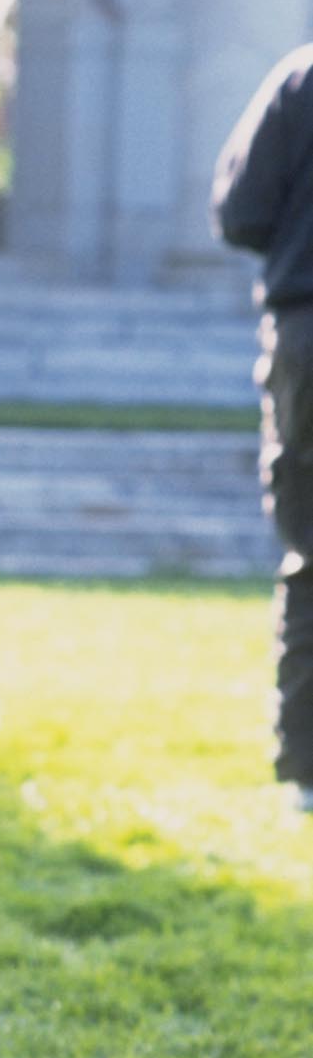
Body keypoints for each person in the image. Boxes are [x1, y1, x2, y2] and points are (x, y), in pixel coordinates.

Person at [211, 41, 313, 813]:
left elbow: (240, 212)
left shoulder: (298, 78)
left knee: (310, 551)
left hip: (306, 337)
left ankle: (308, 767)